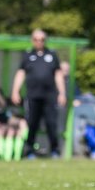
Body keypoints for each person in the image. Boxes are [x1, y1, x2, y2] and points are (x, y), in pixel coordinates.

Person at [10, 29, 66, 159]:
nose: (39, 42)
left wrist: (62, 93)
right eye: (36, 39)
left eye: (42, 39)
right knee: (32, 123)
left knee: (51, 123)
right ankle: (29, 150)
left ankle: (55, 151)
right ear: (32, 40)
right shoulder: (27, 55)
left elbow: (58, 74)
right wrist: (15, 91)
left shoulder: (52, 55)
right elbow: (21, 73)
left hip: (49, 96)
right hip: (33, 96)